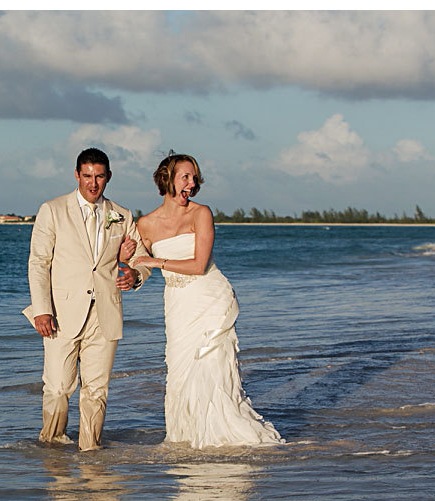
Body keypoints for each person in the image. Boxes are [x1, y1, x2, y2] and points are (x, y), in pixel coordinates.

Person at [124, 152, 283, 448]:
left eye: (195, 178)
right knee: (180, 368)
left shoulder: (201, 214)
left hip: (209, 298)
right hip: (177, 303)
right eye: (185, 177)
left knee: (212, 367)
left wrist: (156, 261)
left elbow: (199, 265)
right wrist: (129, 265)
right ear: (167, 179)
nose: (192, 184)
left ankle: (221, 434)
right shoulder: (145, 224)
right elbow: (139, 265)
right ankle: (186, 437)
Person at [24, 148, 152, 451]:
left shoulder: (121, 215)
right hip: (61, 313)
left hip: (105, 312)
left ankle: (90, 452)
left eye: (99, 177)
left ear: (108, 177)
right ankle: (52, 448)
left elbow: (142, 257)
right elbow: (39, 262)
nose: (93, 183)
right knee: (58, 387)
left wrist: (135, 275)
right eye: (87, 176)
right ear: (77, 175)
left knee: (96, 390)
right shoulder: (52, 210)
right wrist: (42, 310)